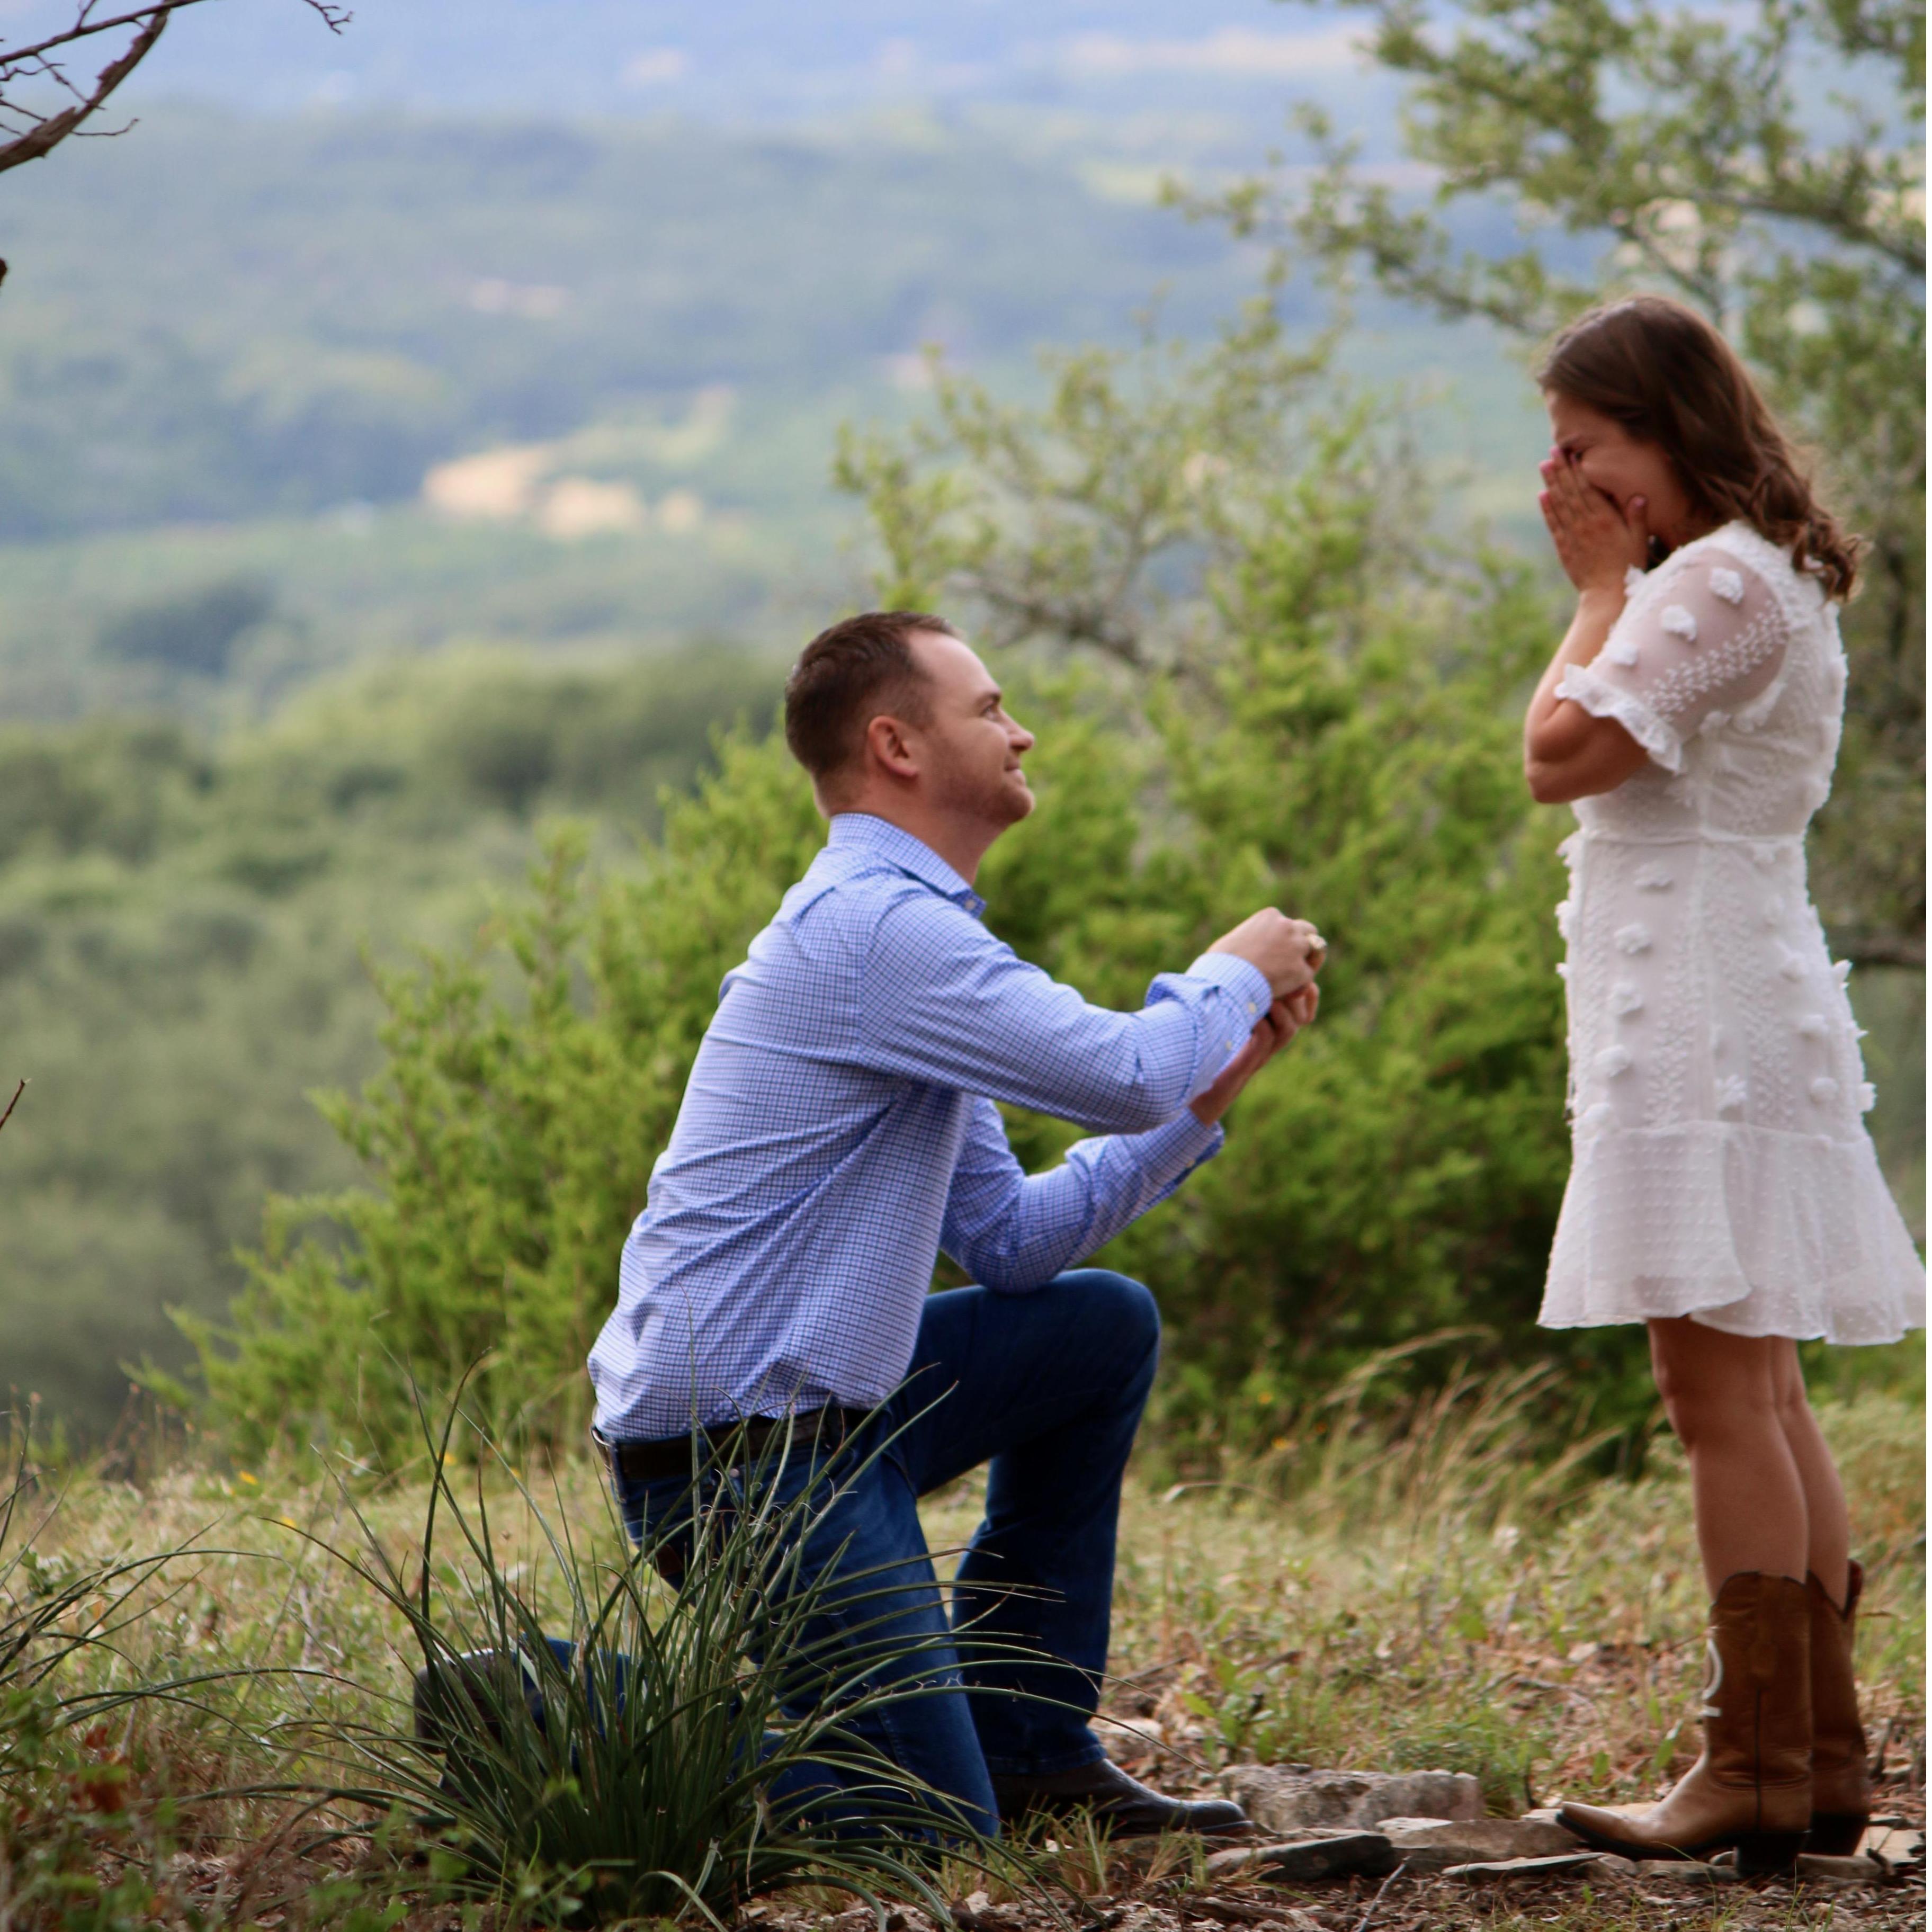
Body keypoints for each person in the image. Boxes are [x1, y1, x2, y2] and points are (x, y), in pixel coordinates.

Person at [585, 610, 1325, 1840]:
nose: (1021, 728)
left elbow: (1014, 1242)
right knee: (928, 1828)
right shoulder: (878, 932)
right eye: (990, 709)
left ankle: (1028, 1741)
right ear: (898, 746)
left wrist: (1214, 1084)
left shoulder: (911, 941)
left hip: (830, 1427)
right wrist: (1234, 969)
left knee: (1097, 1326)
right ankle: (562, 1708)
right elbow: (1131, 1068)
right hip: (741, 1470)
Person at [1520, 296, 1925, 1873]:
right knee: (1760, 1389)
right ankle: (1815, 1757)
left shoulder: (1707, 583)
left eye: (1583, 448)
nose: (1560, 480)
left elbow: (1560, 752)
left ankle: (1755, 1765)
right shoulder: (1755, 576)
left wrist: (1601, 590)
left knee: (1716, 1397)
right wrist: (1618, 583)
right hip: (1732, 982)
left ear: (1665, 432)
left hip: (1696, 1003)